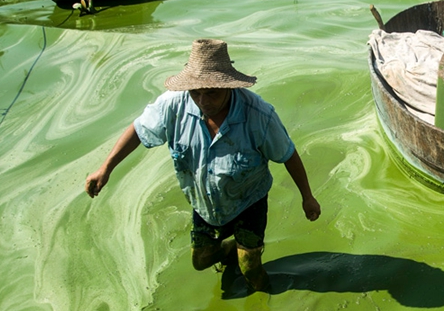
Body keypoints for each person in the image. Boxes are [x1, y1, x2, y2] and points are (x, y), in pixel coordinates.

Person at [85, 38, 321, 292]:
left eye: (211, 93)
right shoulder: (172, 105)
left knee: (250, 268)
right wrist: (105, 168)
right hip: (205, 203)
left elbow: (287, 154)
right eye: (195, 92)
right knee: (201, 261)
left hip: (248, 200)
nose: (203, 100)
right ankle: (234, 248)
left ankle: (266, 299)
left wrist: (307, 196)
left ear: (229, 87)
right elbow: (139, 130)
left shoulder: (259, 115)